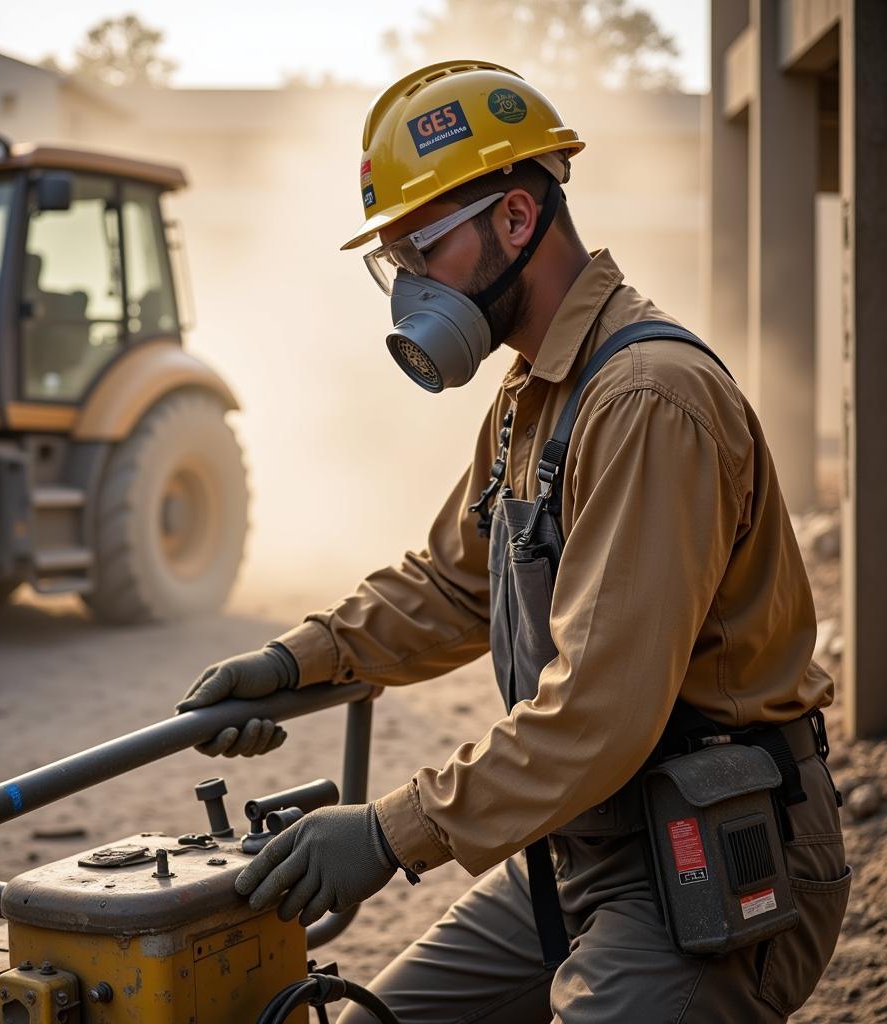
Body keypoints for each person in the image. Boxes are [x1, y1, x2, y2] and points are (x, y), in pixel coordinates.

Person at [177, 61, 849, 1023]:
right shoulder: (535, 390)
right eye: (393, 261)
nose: (407, 290)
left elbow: (600, 710)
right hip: (587, 839)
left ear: (518, 220)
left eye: (424, 251)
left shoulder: (647, 399)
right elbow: (455, 586)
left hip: (714, 846)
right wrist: (297, 659)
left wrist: (386, 833)